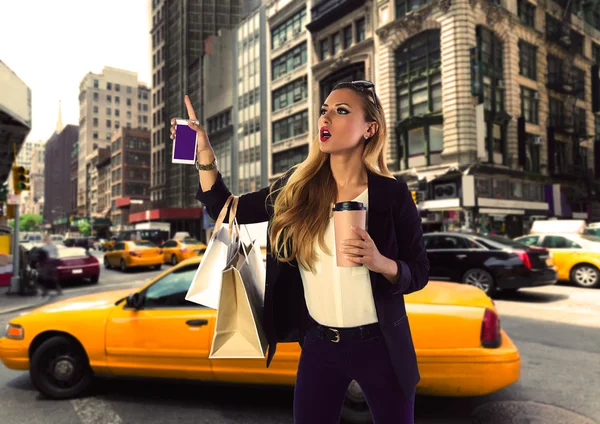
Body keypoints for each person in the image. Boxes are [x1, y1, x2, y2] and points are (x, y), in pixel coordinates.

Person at [172, 81, 429, 423]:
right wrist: (204, 153)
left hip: (381, 344)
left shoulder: (393, 194)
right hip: (319, 347)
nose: (326, 118)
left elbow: (420, 272)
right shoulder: (296, 187)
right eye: (324, 110)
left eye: (341, 111)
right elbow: (226, 209)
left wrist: (381, 263)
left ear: (370, 128)